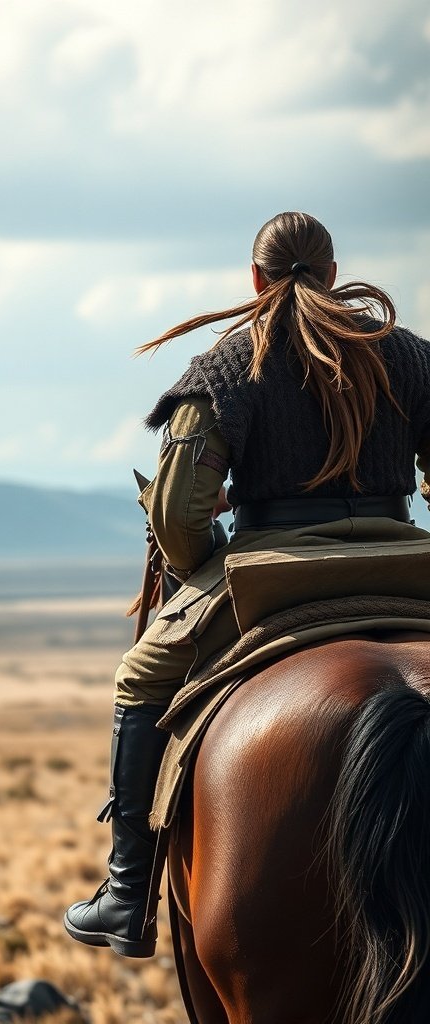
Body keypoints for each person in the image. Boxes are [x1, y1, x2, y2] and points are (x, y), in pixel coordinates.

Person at [63, 211, 430, 958]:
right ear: (331, 273)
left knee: (140, 676)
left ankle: (128, 896)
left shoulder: (229, 369)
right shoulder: (413, 358)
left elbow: (177, 512)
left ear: (255, 279)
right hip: (409, 561)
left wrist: (202, 561)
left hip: (270, 576)